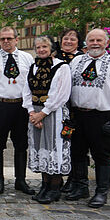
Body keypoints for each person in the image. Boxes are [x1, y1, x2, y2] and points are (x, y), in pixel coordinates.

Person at [67, 28, 110, 208]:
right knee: (77, 152)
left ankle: (101, 192)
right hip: (78, 114)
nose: (95, 43)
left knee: (101, 156)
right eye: (91, 40)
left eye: (99, 40)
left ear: (106, 43)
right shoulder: (77, 61)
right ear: (86, 42)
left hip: (100, 116)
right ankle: (81, 187)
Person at [0, 26, 35, 195]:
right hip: (0, 105)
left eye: (9, 38)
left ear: (16, 39)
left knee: (21, 144)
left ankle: (20, 180)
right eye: (3, 39)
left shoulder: (28, 58)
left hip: (21, 106)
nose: (6, 41)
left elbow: (30, 84)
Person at [21, 36, 72, 204]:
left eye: (44, 46)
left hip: (53, 113)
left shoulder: (61, 67)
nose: (41, 50)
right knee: (40, 148)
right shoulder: (32, 67)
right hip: (35, 113)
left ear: (51, 49)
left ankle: (54, 187)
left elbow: (60, 94)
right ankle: (45, 184)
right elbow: (26, 91)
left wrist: (42, 113)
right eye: (38, 47)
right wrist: (31, 113)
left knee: (52, 148)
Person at [54, 28, 84, 195]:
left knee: (75, 145)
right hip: (58, 107)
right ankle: (59, 177)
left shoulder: (82, 59)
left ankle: (75, 179)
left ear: (78, 42)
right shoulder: (56, 57)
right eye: (66, 38)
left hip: (75, 107)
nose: (68, 42)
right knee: (59, 142)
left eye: (72, 39)